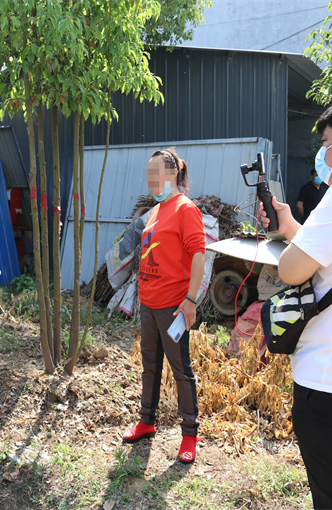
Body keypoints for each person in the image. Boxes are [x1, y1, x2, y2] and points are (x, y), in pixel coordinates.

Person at [260, 100, 332, 510]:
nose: (322, 154)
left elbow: (292, 270)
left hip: (330, 385)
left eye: (326, 142)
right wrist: (294, 229)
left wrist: (289, 243)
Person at [123, 148, 206, 464]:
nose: (152, 179)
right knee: (150, 365)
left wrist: (190, 300)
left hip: (173, 307)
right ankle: (146, 421)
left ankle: (190, 434)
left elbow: (198, 255)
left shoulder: (185, 209)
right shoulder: (157, 210)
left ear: (172, 173)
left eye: (156, 172)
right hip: (148, 303)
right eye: (149, 173)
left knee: (181, 370)